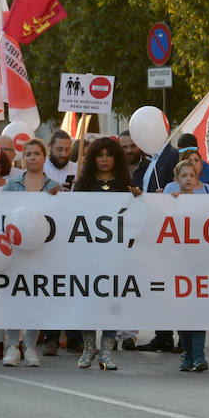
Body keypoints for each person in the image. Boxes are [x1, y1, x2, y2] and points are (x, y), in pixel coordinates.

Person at [71, 137, 136, 371]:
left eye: (109, 154)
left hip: (115, 255)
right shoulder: (83, 185)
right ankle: (89, 349)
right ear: (93, 159)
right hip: (89, 254)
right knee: (88, 301)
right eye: (100, 155)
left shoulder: (125, 185)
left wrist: (140, 198)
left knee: (110, 302)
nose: (105, 159)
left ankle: (106, 351)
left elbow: (138, 217)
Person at [0, 139, 58, 367]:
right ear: (23, 157)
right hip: (16, 251)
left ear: (44, 157)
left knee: (35, 298)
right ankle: (13, 345)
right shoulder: (12, 185)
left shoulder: (54, 186)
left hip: (41, 251)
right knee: (14, 298)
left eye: (37, 153)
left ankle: (31, 347)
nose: (33, 157)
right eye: (29, 153)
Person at [167, 159, 209, 371]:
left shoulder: (206, 200)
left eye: (192, 175)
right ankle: (187, 354)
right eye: (184, 176)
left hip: (199, 263)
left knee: (198, 311)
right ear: (176, 179)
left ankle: (199, 355)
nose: (188, 179)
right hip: (177, 263)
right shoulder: (170, 200)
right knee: (182, 313)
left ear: (198, 179)